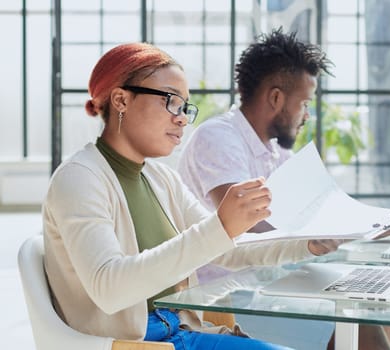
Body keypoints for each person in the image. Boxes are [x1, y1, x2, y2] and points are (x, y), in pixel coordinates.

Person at [42, 42, 344, 350]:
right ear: (121, 99)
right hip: (138, 344)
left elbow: (228, 250)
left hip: (179, 333)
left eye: (185, 106)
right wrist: (220, 227)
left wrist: (305, 244)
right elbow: (110, 288)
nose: (183, 118)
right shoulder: (79, 179)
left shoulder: (161, 179)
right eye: (171, 101)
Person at [177, 29, 390, 350]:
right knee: (359, 327)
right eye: (304, 103)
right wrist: (337, 229)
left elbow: (321, 209)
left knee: (373, 305)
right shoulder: (218, 138)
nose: (307, 115)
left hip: (265, 280)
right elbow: (249, 223)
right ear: (276, 98)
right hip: (223, 294)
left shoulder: (277, 151)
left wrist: (389, 222)